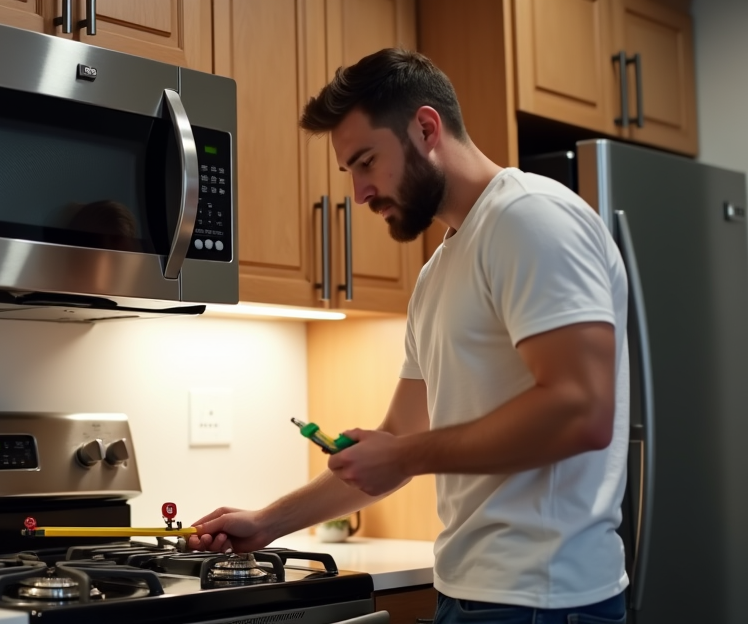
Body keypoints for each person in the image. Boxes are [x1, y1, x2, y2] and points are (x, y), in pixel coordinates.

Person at [187, 48, 630, 624]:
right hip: (471, 594)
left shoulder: (529, 218)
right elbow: (399, 438)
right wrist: (267, 522)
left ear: (425, 128)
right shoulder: (439, 271)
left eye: (367, 162)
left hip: (543, 601)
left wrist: (403, 456)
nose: (361, 193)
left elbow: (582, 411)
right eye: (350, 172)